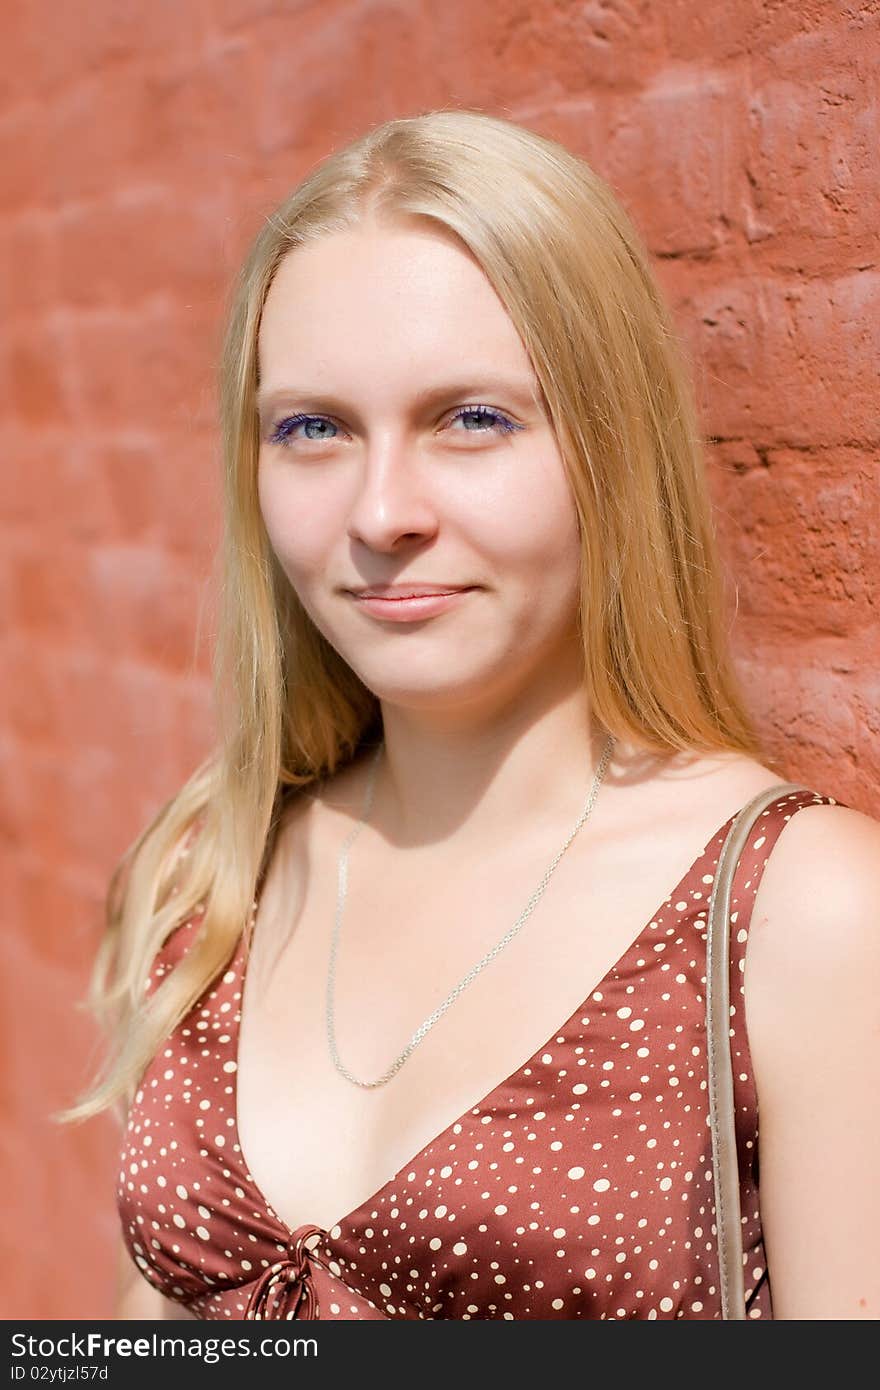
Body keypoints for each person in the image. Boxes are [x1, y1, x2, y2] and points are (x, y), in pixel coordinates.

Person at [59, 109, 879, 1321]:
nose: (381, 510)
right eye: (314, 428)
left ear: (610, 447)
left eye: (473, 419)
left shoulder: (797, 913)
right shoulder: (211, 876)